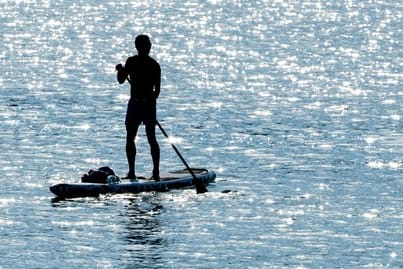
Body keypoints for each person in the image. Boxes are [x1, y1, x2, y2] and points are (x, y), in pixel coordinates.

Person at [115, 34, 160, 181]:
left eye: (148, 45)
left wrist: (148, 99)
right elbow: (121, 80)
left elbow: (157, 91)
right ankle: (131, 172)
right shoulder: (131, 62)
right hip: (134, 104)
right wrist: (121, 70)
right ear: (139, 47)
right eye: (145, 46)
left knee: (151, 138)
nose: (147, 48)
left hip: (148, 106)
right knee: (130, 137)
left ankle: (156, 172)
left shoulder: (154, 65)